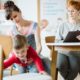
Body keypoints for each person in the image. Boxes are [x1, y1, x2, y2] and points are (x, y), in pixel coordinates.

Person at [4, 1, 51, 75]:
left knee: (38, 69)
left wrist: (32, 58)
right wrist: (18, 57)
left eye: (15, 16)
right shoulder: (12, 30)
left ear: (19, 11)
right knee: (21, 72)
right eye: (11, 19)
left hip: (34, 54)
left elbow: (39, 46)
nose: (14, 20)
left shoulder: (34, 26)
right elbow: (14, 48)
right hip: (19, 57)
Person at [55, 0, 80, 80]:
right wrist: (65, 41)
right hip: (63, 51)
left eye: (73, 11)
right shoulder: (62, 25)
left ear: (78, 12)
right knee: (60, 65)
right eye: (69, 11)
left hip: (75, 52)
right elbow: (57, 41)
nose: (70, 13)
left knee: (75, 68)